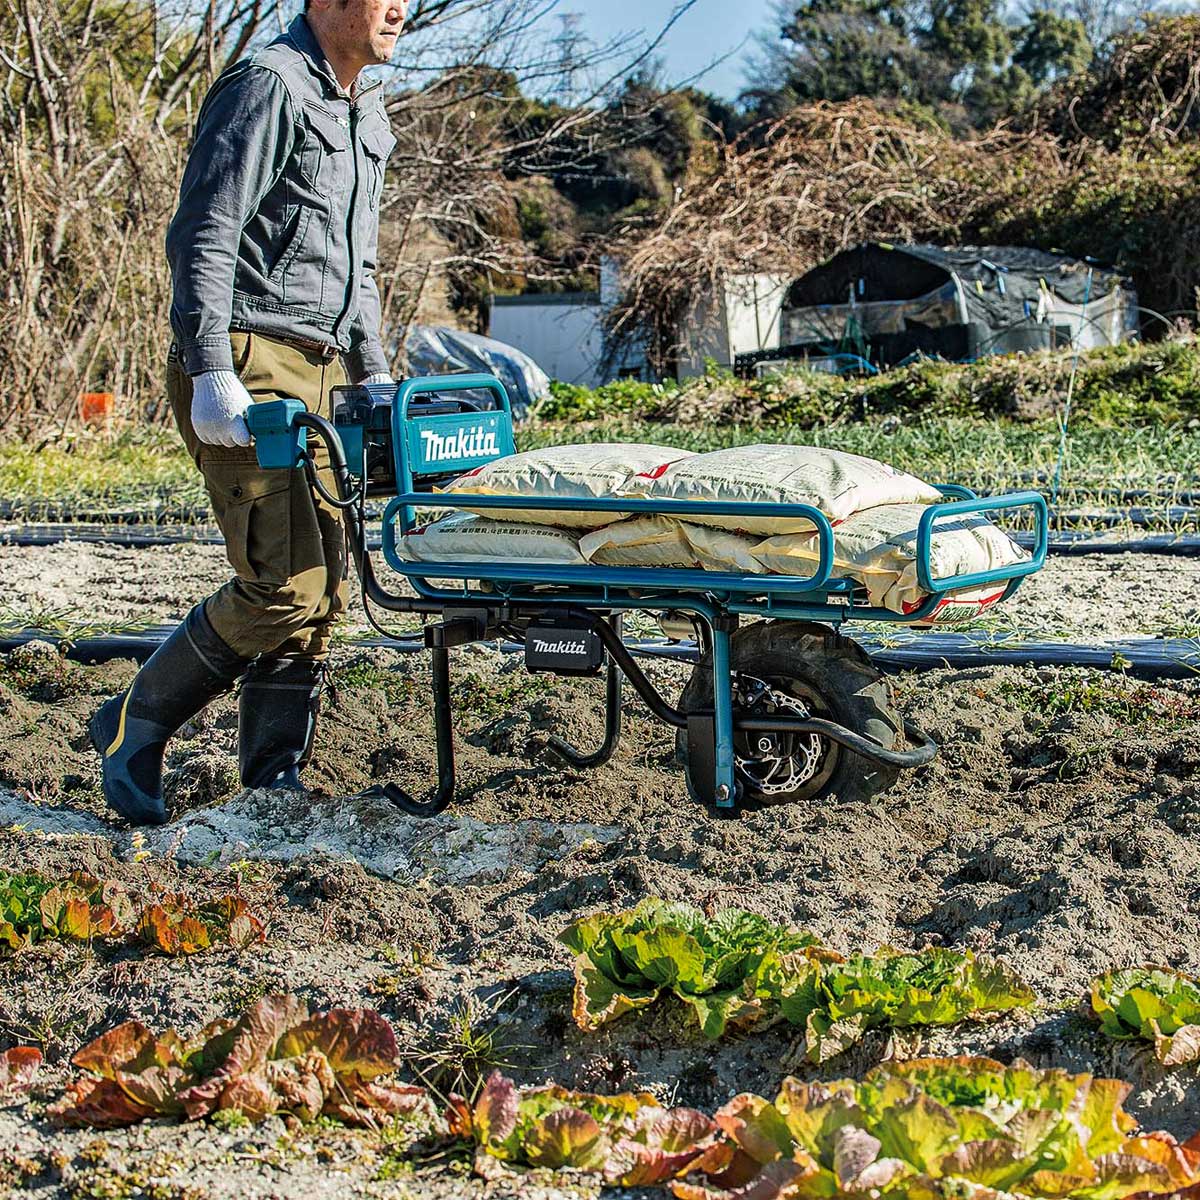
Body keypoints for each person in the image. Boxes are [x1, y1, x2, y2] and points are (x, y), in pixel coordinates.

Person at [89, 0, 408, 826]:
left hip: (324, 365)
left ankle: (272, 782)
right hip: (250, 355)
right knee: (279, 584)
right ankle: (135, 721)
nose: (401, 8)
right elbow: (207, 232)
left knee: (327, 582)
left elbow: (360, 266)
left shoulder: (365, 106)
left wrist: (372, 376)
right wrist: (208, 369)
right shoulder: (268, 84)